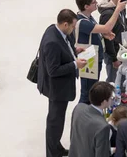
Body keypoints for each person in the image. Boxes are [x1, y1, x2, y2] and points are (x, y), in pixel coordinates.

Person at [37, 9, 88, 157]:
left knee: (57, 120)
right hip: (57, 89)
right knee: (55, 122)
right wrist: (75, 65)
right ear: (65, 24)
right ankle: (52, 153)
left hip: (61, 87)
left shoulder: (56, 30)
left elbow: (64, 48)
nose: (73, 30)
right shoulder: (52, 42)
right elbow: (53, 70)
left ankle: (56, 148)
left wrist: (74, 50)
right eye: (72, 27)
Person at [75, 0, 125, 103]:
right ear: (86, 6)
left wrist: (103, 35)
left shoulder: (89, 17)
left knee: (91, 90)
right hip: (88, 60)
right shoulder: (82, 22)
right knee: (87, 93)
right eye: (93, 2)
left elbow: (97, 30)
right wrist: (117, 9)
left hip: (94, 57)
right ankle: (81, 116)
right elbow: (107, 27)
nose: (96, 3)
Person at [68, 81, 114, 157]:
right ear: (104, 102)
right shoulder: (103, 127)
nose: (112, 100)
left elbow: (73, 136)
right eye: (111, 98)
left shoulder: (79, 108)